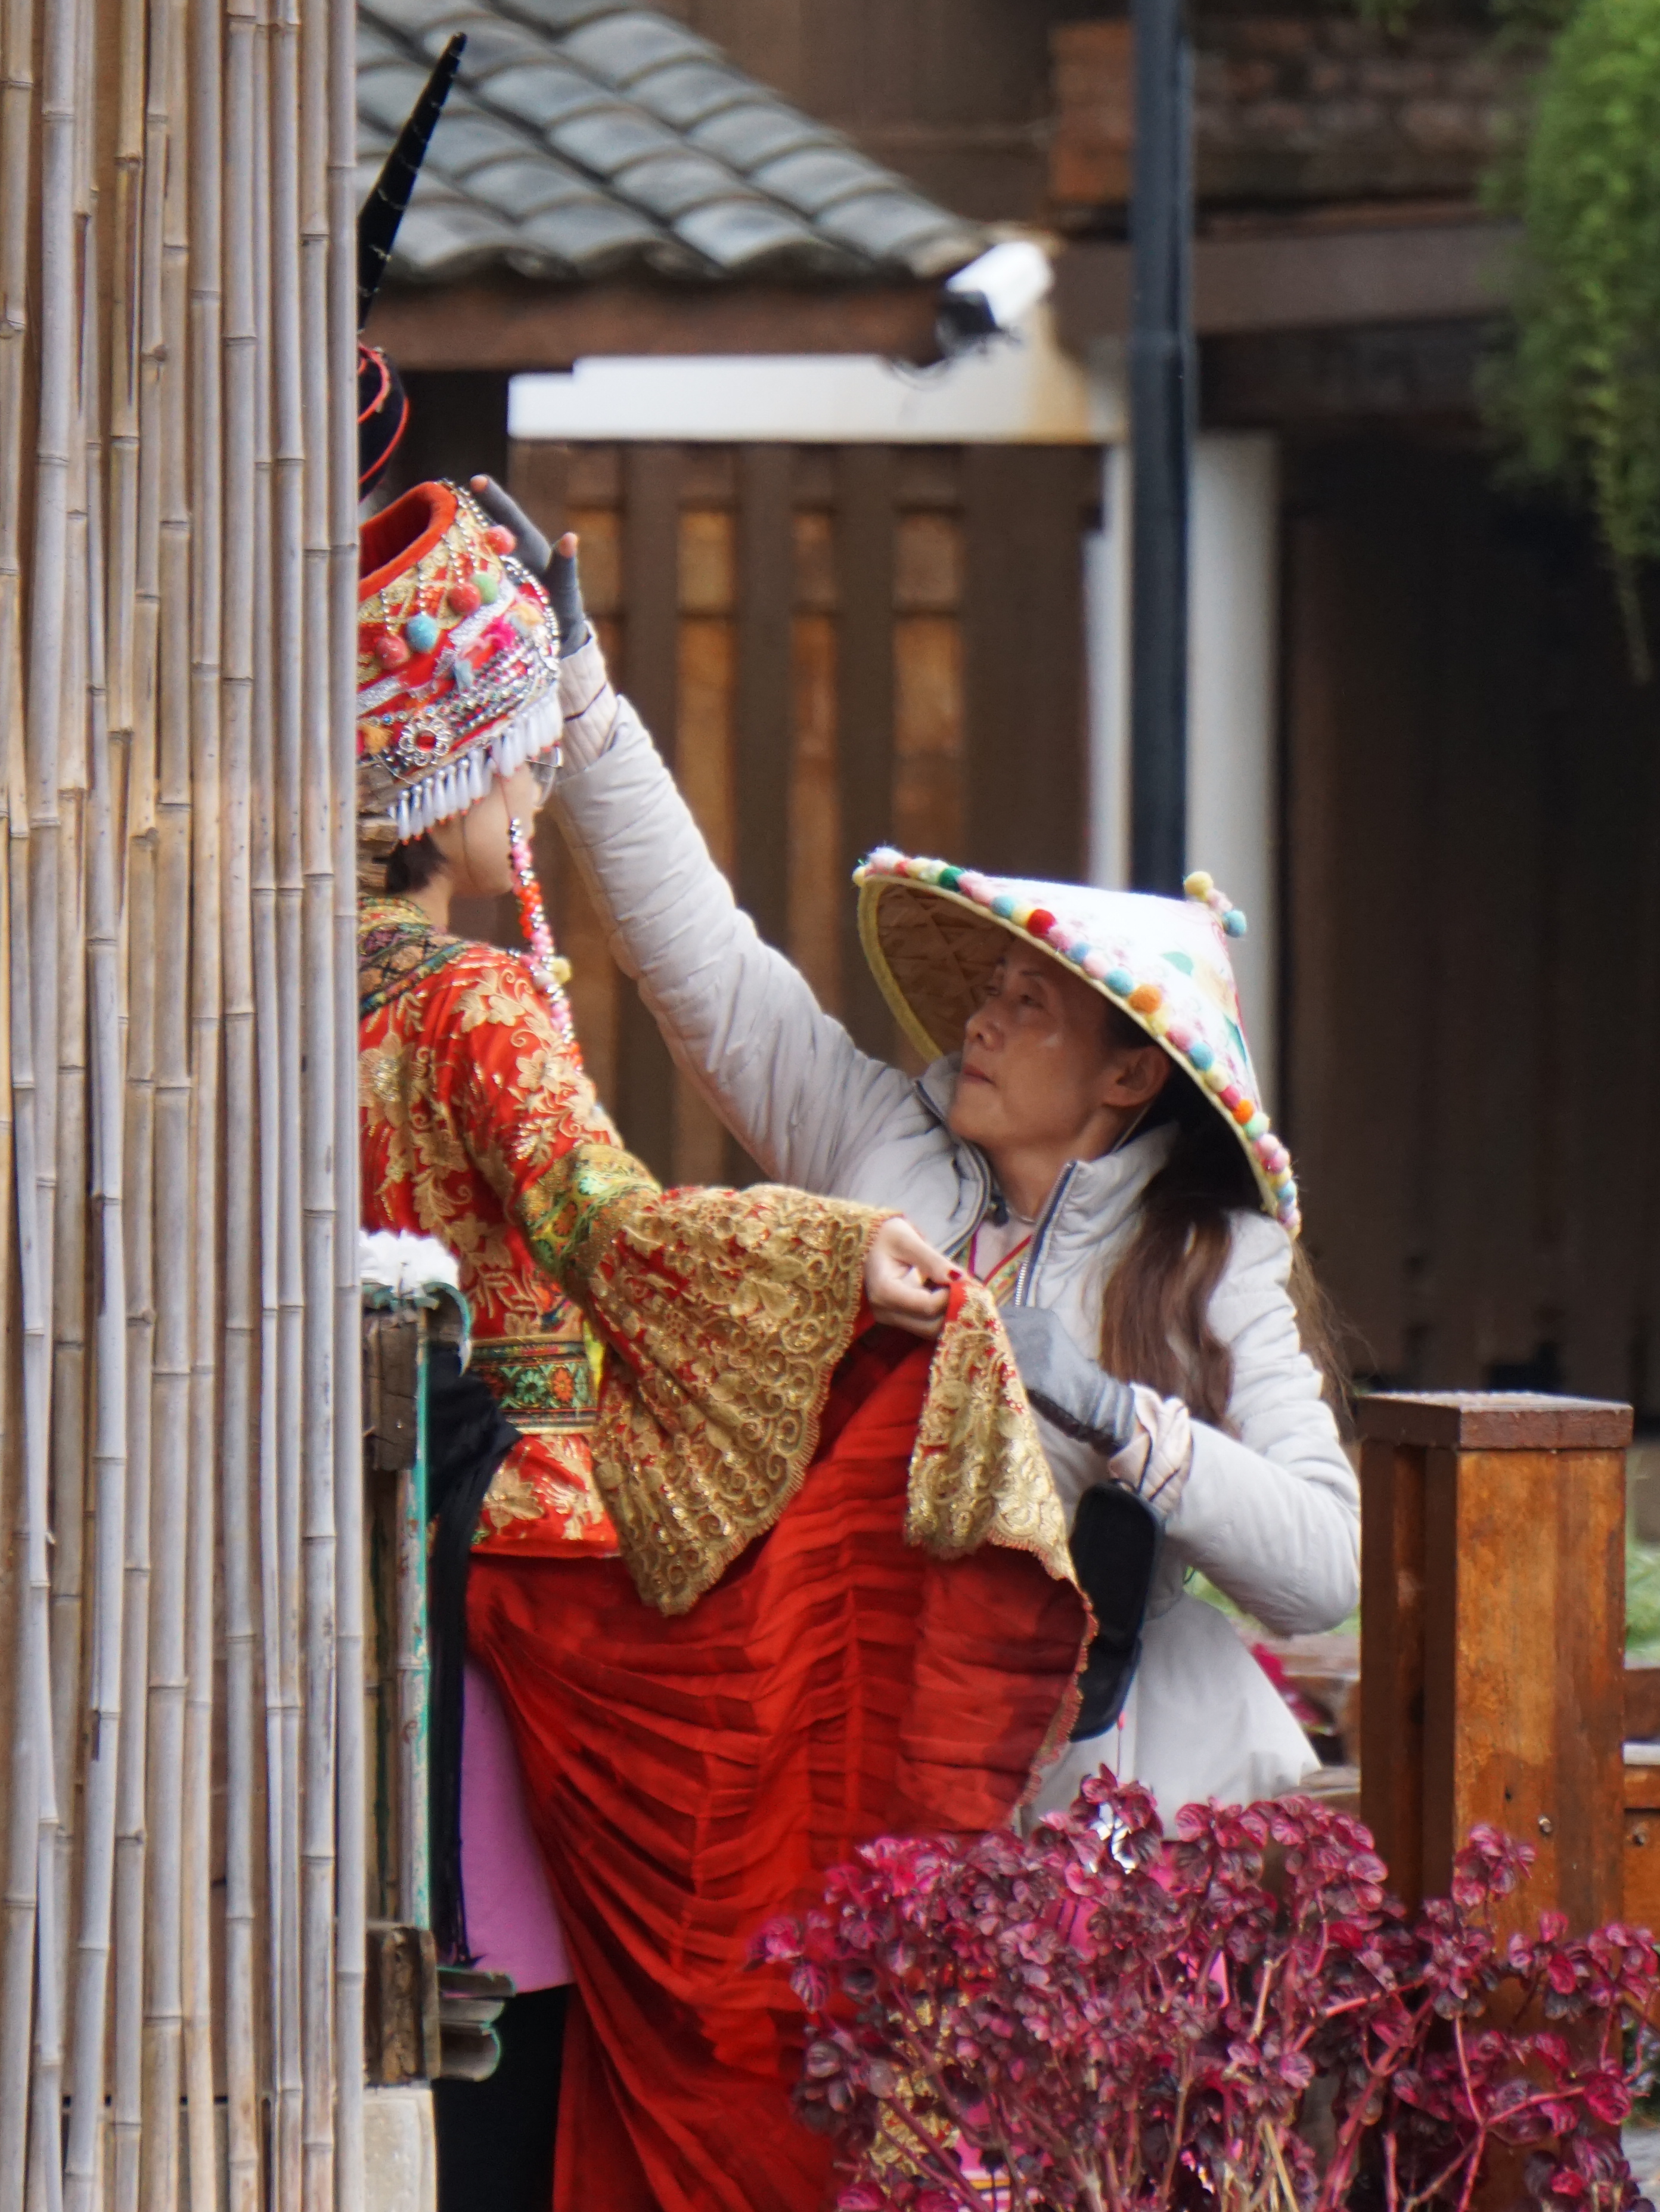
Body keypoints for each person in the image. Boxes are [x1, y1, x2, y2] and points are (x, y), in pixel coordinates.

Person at [353, 466, 1091, 2207]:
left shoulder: (280, 988)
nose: (533, 781)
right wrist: (845, 1270)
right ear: (449, 763)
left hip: (356, 1514)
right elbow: (615, 1232)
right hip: (521, 1542)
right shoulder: (469, 999)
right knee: (733, 1914)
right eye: (522, 746)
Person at [498, 473, 1357, 1813]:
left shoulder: (1210, 1255)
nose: (984, 1019)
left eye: (1028, 1003)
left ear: (1131, 1073)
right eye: (989, 992)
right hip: (855, 1740)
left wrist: (1106, 1407)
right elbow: (711, 973)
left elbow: (1321, 1572)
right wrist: (581, 700)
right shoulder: (877, 1134)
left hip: (1107, 1792)